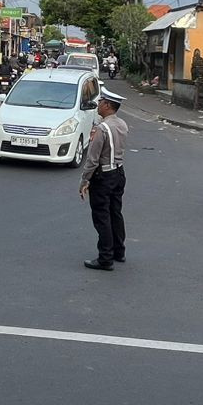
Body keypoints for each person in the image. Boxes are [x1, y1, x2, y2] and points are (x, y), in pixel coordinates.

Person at [78, 89, 128, 270]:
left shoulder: (102, 129)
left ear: (107, 105)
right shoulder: (122, 124)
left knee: (102, 216)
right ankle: (119, 251)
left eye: (100, 102)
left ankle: (105, 258)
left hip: (104, 176)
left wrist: (84, 181)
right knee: (116, 213)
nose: (98, 105)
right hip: (119, 173)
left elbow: (92, 159)